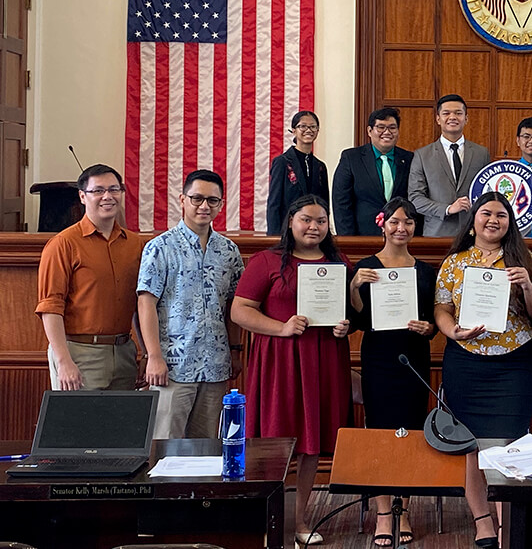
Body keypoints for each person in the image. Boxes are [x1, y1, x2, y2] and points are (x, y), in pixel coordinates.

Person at [232, 195, 353, 545]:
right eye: (306, 219)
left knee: (311, 445)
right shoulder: (265, 261)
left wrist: (344, 326)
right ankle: (264, 520)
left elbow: (347, 310)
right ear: (290, 221)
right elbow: (240, 311)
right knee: (274, 440)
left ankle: (299, 521)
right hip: (280, 360)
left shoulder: (338, 261)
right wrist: (281, 327)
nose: (313, 227)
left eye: (320, 221)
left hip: (324, 359)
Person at [434, 192, 532, 549]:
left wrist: (527, 283)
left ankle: (507, 524)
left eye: (501, 215)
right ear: (474, 221)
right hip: (466, 363)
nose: (493, 220)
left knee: (508, 445)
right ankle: (483, 521)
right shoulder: (454, 262)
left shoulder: (523, 258)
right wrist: (453, 331)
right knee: (472, 446)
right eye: (486, 213)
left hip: (514, 364)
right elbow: (442, 308)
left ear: (510, 223)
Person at [349, 196, 436, 546]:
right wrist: (355, 286)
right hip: (379, 358)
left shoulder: (426, 270)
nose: (402, 228)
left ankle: (407, 508)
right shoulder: (366, 265)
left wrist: (428, 329)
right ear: (383, 224)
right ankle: (384, 512)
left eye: (409, 222)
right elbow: (356, 319)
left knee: (413, 432)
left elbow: (434, 320)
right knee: (381, 432)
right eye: (396, 222)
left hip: (414, 357)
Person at [136, 169, 245, 439]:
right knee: (165, 445)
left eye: (212, 200)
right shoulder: (159, 247)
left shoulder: (229, 250)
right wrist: (154, 356)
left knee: (207, 448)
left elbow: (234, 306)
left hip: (216, 366)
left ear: (220, 205)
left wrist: (235, 350)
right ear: (182, 200)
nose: (204, 206)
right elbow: (145, 304)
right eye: (197, 198)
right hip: (172, 366)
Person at [36, 164, 145, 391]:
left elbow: (140, 304)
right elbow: (50, 307)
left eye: (114, 189)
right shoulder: (63, 244)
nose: (108, 196)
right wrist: (63, 361)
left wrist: (145, 353)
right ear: (82, 196)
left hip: (125, 352)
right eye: (98, 191)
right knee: (80, 426)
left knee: (124, 424)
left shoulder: (135, 245)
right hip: (79, 353)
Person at [408, 94, 490, 237]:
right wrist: (448, 209)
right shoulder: (422, 155)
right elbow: (415, 198)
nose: (452, 117)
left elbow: (488, 193)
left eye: (458, 113)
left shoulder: (481, 153)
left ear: (466, 118)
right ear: (438, 119)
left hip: (474, 234)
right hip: (437, 235)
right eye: (446, 113)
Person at [332, 107, 414, 236]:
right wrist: (347, 238)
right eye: (381, 127)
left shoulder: (410, 159)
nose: (387, 132)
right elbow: (341, 202)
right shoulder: (351, 158)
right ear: (369, 131)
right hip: (363, 236)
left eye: (392, 128)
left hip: (401, 235)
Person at [266, 110, 330, 236]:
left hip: (314, 232)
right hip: (288, 232)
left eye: (313, 127)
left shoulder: (320, 166)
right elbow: (274, 203)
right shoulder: (282, 162)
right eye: (303, 126)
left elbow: (324, 203)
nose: (308, 130)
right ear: (294, 130)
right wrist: (274, 236)